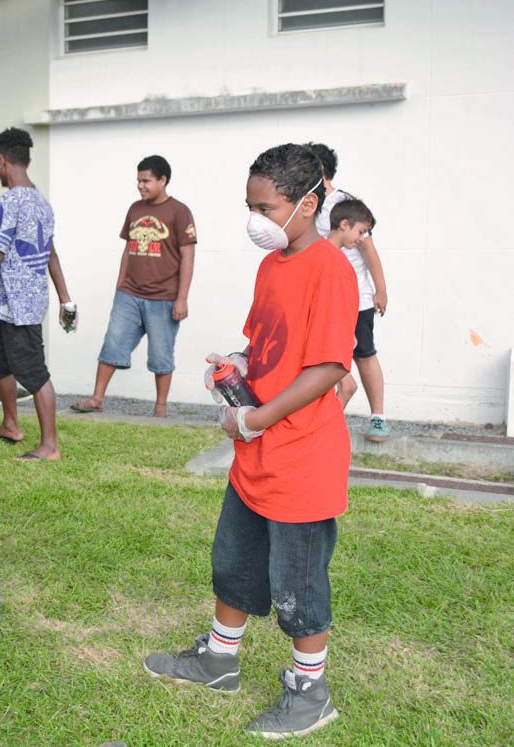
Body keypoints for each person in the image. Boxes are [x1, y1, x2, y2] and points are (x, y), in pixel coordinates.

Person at [143, 144, 356, 739]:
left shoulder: (332, 269)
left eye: (265, 207)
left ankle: (311, 692)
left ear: (308, 203)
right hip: (255, 456)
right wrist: (238, 364)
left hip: (302, 461)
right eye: (249, 206)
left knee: (299, 585)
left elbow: (329, 369)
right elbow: (269, 343)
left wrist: (257, 419)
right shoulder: (273, 265)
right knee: (233, 563)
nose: (254, 219)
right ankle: (219, 660)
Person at [0, 127, 75, 462]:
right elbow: (51, 253)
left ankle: (50, 445)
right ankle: (11, 425)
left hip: (21, 306)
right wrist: (66, 299)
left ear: (1, 161)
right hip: (14, 305)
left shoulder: (10, 201)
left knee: (34, 372)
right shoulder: (42, 202)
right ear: (28, 159)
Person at [70, 155, 196, 418]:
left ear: (163, 180)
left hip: (164, 298)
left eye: (146, 181)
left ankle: (160, 408)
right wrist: (120, 285)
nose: (140, 186)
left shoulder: (179, 212)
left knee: (161, 353)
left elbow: (188, 256)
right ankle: (96, 398)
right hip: (129, 294)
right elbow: (128, 249)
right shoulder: (135, 209)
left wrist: (182, 298)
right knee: (113, 342)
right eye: (138, 180)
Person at [308, 142, 391, 441]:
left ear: (320, 170)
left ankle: (378, 417)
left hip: (356, 297)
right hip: (325, 295)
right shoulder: (306, 204)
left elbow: (368, 249)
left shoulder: (344, 205)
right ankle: (324, 415)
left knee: (363, 353)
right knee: (325, 355)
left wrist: (380, 291)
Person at [324, 198, 377, 409]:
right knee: (347, 387)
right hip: (326, 337)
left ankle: (321, 431)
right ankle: (320, 433)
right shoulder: (326, 257)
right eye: (361, 231)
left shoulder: (335, 257)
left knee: (345, 387)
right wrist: (343, 333)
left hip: (334, 335)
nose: (362, 238)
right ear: (344, 225)